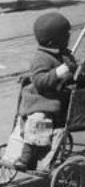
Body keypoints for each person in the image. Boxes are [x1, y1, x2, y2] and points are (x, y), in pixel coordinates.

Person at [16, 13, 77, 170]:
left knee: (46, 119)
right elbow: (40, 82)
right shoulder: (42, 58)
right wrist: (57, 73)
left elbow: (72, 73)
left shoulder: (64, 54)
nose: (69, 37)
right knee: (39, 121)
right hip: (40, 100)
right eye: (66, 35)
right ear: (53, 41)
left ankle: (40, 151)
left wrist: (79, 71)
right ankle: (27, 157)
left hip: (56, 98)